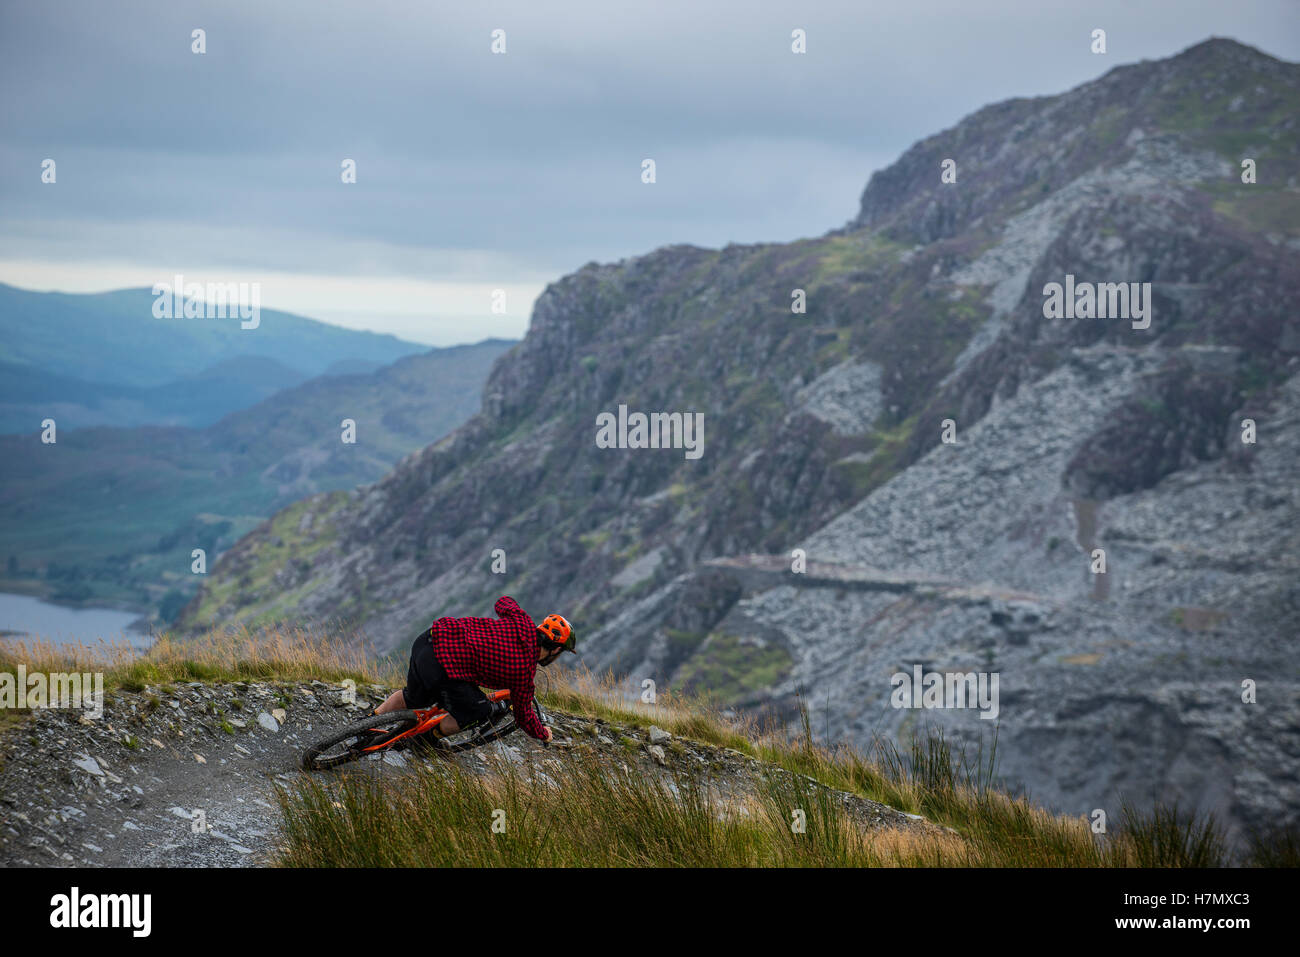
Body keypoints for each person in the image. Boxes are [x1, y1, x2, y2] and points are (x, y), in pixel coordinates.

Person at [373, 596, 575, 743]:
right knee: (479, 711)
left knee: (413, 697)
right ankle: (425, 741)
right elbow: (523, 717)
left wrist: (517, 615)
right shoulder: (524, 675)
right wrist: (543, 733)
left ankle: (368, 724)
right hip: (442, 669)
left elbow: (503, 602)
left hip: (429, 640)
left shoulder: (521, 621)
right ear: (556, 650)